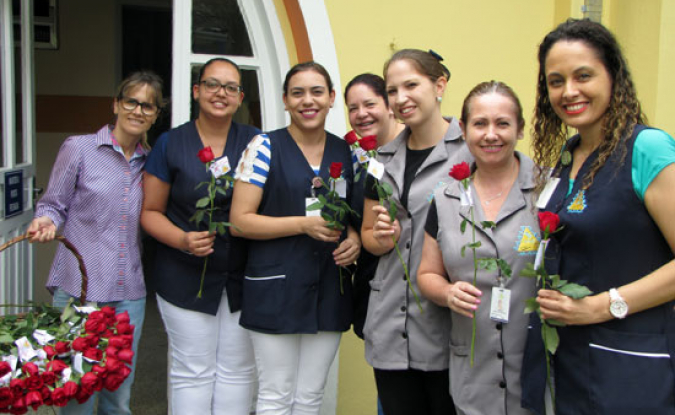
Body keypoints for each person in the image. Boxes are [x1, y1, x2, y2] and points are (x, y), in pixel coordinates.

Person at [520, 19, 675, 415]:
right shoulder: (569, 156)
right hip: (567, 364)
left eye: (583, 75)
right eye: (555, 81)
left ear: (613, 76)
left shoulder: (647, 149)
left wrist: (601, 306)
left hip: (629, 368)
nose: (569, 91)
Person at [28, 71, 165, 415]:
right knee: (77, 392)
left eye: (148, 106)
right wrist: (46, 221)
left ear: (155, 114)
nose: (138, 111)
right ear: (116, 104)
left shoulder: (152, 163)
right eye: (131, 101)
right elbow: (53, 203)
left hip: (128, 290)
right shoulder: (79, 148)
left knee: (118, 393)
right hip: (78, 290)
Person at [229, 61, 359, 414]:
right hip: (275, 287)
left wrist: (355, 238)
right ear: (285, 100)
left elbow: (356, 214)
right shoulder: (264, 147)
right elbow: (239, 222)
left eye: (317, 92)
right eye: (297, 93)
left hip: (330, 288)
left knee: (311, 395)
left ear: (332, 98)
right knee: (275, 394)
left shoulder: (348, 152)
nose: (308, 100)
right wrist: (302, 224)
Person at [140, 58, 259, 415]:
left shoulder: (256, 141)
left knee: (238, 371)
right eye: (212, 84)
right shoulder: (170, 144)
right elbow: (150, 212)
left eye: (230, 87)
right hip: (183, 274)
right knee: (192, 371)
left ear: (240, 97)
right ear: (196, 91)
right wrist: (182, 240)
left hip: (242, 276)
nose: (220, 93)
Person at [360, 48, 471, 415]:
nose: (400, 99)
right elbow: (369, 238)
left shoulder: (471, 150)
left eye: (411, 85)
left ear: (439, 84)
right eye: (392, 91)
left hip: (447, 324)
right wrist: (379, 237)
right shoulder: (382, 160)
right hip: (390, 322)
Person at [417, 81, 537, 415]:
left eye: (502, 123)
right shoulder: (444, 199)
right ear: (463, 129)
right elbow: (427, 273)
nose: (490, 134)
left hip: (535, 369)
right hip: (473, 368)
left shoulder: (546, 191)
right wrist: (447, 293)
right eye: (480, 123)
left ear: (520, 129)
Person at [344, 73, 405, 339]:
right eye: (353, 108)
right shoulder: (362, 162)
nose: (361, 114)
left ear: (390, 105)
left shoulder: (415, 151)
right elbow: (352, 212)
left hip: (413, 289)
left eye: (369, 104)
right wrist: (354, 233)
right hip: (373, 287)